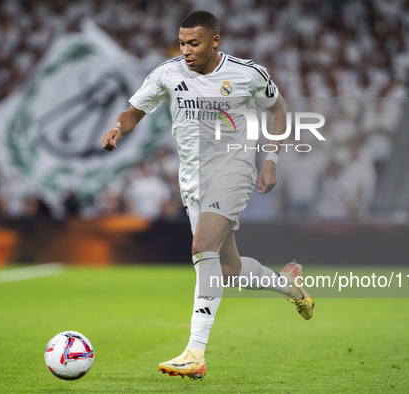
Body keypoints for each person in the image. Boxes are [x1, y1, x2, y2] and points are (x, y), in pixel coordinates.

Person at [101, 11, 314, 380]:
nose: (185, 50)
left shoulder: (247, 74)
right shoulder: (167, 73)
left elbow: (279, 109)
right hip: (192, 180)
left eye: (194, 43)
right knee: (228, 268)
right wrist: (118, 127)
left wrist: (272, 159)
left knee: (203, 247)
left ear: (215, 41)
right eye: (182, 42)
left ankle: (195, 352)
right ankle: (290, 287)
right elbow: (134, 112)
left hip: (234, 170)